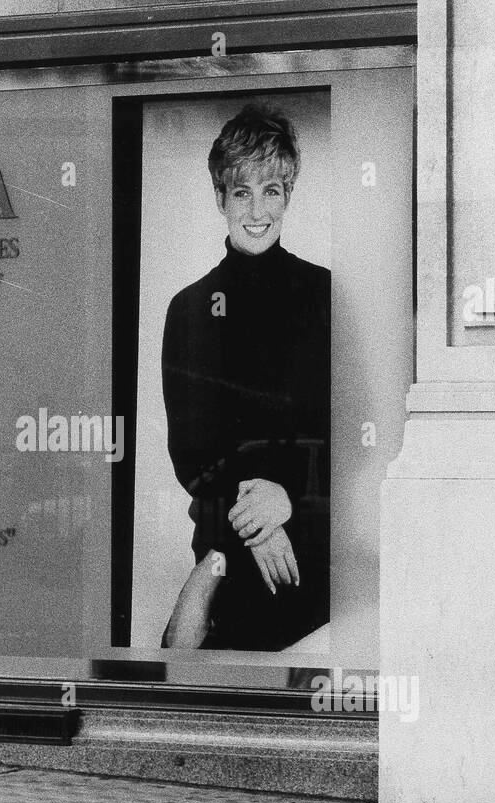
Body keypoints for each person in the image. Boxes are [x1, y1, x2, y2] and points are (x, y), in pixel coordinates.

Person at [160, 102, 330, 651]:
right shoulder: (188, 310)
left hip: (310, 524)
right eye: (241, 192)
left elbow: (344, 434)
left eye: (271, 191)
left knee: (223, 633)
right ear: (220, 199)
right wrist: (256, 522)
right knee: (197, 641)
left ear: (289, 196)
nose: (257, 209)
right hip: (222, 527)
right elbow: (192, 456)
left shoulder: (324, 294)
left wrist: (289, 498)